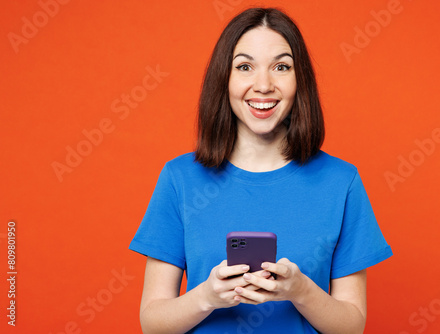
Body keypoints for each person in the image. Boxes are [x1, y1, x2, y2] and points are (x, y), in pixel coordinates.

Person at [129, 7, 392, 334]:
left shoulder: (342, 182)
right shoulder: (179, 178)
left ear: (300, 80)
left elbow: (351, 326)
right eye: (245, 67)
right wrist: (207, 296)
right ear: (224, 78)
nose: (263, 85)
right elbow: (152, 323)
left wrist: (301, 292)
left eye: (281, 67)